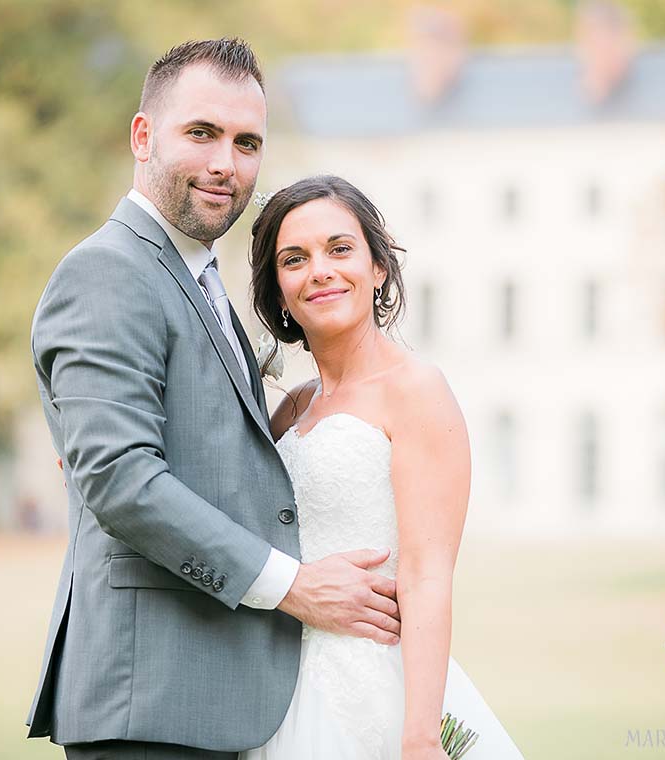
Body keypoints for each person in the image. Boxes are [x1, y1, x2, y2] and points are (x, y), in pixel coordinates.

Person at [26, 40, 401, 760]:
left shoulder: (196, 278)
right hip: (150, 705)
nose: (226, 163)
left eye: (247, 142)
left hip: (220, 697)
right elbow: (121, 480)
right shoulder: (108, 272)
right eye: (201, 133)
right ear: (143, 137)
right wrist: (293, 586)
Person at [240, 176, 525, 760]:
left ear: (376, 266)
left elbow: (427, 573)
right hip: (278, 692)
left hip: (379, 689)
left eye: (339, 249)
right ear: (279, 291)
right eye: (294, 259)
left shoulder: (417, 390)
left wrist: (419, 735)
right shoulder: (291, 408)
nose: (319, 270)